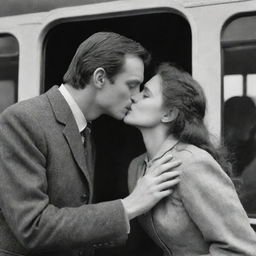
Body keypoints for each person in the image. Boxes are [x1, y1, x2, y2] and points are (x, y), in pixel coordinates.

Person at [0, 33, 181, 256]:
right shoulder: (22, 120)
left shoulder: (84, 128)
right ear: (100, 78)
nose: (136, 97)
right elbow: (33, 227)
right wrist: (129, 206)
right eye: (132, 85)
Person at [125, 63, 256, 256]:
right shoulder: (136, 167)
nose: (133, 97)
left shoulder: (193, 163)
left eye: (145, 94)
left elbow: (243, 250)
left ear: (168, 114)